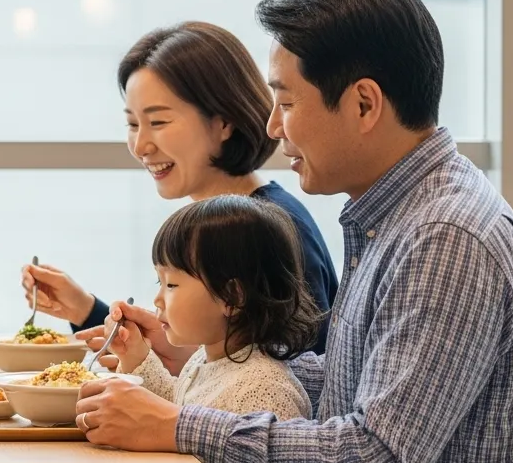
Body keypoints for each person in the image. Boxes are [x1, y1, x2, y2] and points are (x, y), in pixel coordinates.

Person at [73, 0, 513, 463]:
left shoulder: (445, 240)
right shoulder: (401, 216)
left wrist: (184, 425)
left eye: (286, 102)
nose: (274, 127)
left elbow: (378, 460)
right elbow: (358, 383)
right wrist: (218, 361)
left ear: (363, 103)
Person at [9, 196, 320, 463]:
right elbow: (175, 414)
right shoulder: (208, 360)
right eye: (159, 281)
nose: (157, 298)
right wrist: (138, 358)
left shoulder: (265, 385)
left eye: (171, 283)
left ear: (233, 297)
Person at [21, 22, 337, 367]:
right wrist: (84, 308)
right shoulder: (217, 224)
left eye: (158, 123)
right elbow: (200, 366)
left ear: (224, 122)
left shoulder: (273, 230)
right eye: (132, 124)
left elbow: (283, 386)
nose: (141, 146)